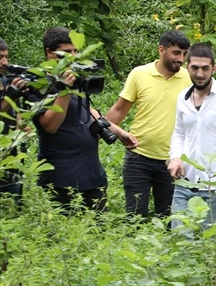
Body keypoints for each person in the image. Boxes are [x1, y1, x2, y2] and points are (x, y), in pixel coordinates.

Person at [32, 27, 136, 212]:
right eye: (66, 52)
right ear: (49, 53)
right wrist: (64, 89)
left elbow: (87, 109)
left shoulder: (75, 76)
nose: (72, 57)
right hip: (60, 177)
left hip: (91, 173)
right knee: (66, 232)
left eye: (75, 51)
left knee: (99, 229)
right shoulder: (37, 83)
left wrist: (119, 132)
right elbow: (50, 125)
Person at [106, 29, 191, 218]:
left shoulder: (189, 78)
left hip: (172, 160)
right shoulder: (140, 74)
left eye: (184, 54)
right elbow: (120, 110)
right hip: (138, 157)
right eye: (176, 53)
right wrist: (98, 130)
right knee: (135, 217)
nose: (181, 59)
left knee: (169, 218)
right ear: (162, 50)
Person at [167, 43, 216, 230]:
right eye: (194, 68)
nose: (200, 74)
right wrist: (175, 158)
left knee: (211, 245)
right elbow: (179, 132)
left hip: (215, 188)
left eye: (205, 68)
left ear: (214, 69)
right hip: (183, 184)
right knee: (180, 240)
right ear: (187, 67)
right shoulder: (183, 98)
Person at [0, 37, 28, 199]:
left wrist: (21, 125)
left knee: (14, 204)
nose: (4, 62)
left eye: (6, 57)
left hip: (11, 156)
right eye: (0, 57)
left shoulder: (5, 81)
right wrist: (11, 96)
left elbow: (14, 111)